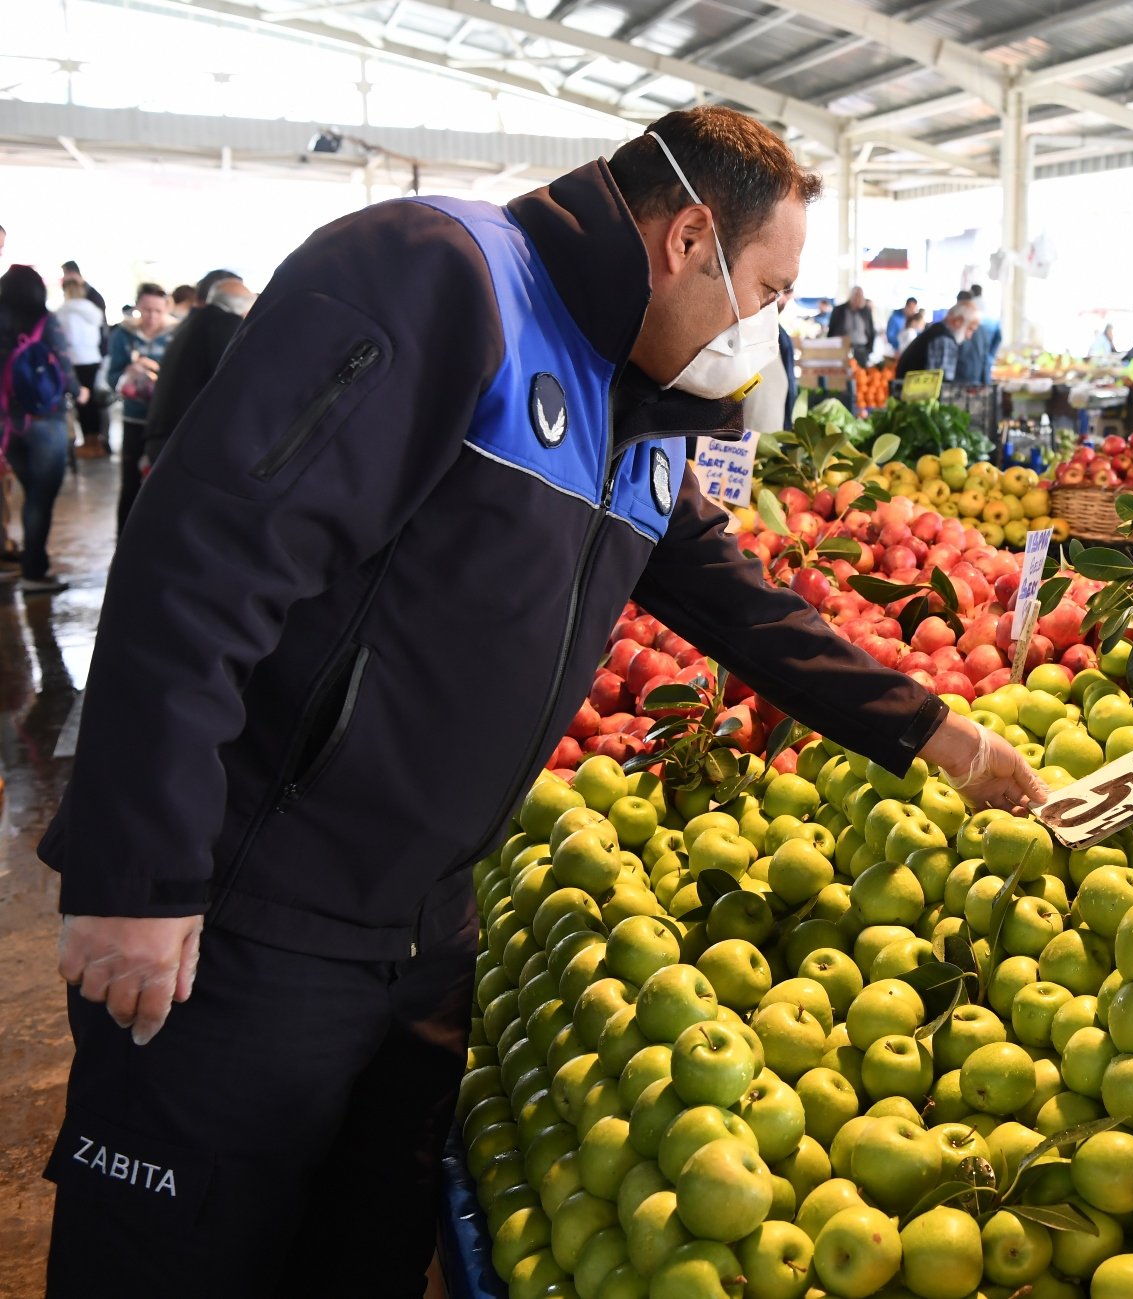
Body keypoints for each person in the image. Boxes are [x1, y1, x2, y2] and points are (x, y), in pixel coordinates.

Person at [40, 105, 1042, 1296]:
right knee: (176, 1260)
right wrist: (139, 875)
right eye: (766, 289)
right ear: (685, 242)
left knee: (354, 1257)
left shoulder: (641, 408)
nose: (765, 329)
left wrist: (932, 730)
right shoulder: (439, 281)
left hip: (421, 933)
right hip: (252, 919)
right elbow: (206, 555)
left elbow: (734, 600)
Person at [0, 265, 79, 595]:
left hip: (8, 423)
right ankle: (34, 571)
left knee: (26, 492)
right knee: (39, 499)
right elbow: (63, 365)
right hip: (46, 420)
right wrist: (78, 389)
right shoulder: (46, 322)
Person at [137, 270, 251, 476]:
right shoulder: (224, 323)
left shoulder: (195, 321)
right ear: (241, 308)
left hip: (164, 435)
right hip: (180, 441)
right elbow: (234, 385)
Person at [103, 283, 175, 532]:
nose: (152, 316)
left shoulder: (177, 333)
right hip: (134, 417)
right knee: (130, 480)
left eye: (157, 310)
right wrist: (129, 372)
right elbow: (111, 378)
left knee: (165, 481)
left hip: (167, 419)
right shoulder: (123, 335)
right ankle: (123, 538)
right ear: (137, 308)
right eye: (146, 310)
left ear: (167, 308)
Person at [56, 276, 106, 457]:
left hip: (75, 360)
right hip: (93, 358)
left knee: (82, 402)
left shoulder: (63, 312)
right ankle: (97, 441)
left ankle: (87, 441)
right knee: (94, 402)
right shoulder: (93, 310)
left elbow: (63, 341)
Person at [896, 301, 974, 383]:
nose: (969, 336)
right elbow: (941, 383)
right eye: (970, 329)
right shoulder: (944, 339)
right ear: (958, 321)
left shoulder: (936, 331)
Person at [827, 285, 875, 366]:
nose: (859, 299)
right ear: (851, 296)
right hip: (843, 349)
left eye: (861, 296)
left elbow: (871, 331)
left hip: (862, 350)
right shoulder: (839, 310)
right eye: (857, 296)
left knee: (861, 374)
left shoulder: (866, 311)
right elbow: (831, 330)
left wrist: (869, 350)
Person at [967, 282, 1000, 383]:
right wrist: (991, 356)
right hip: (989, 344)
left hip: (973, 348)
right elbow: (999, 336)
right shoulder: (990, 306)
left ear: (971, 292)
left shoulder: (969, 306)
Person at [953, 288, 985, 382]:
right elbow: (985, 356)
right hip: (976, 377)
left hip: (958, 378)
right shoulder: (981, 327)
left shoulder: (956, 325)